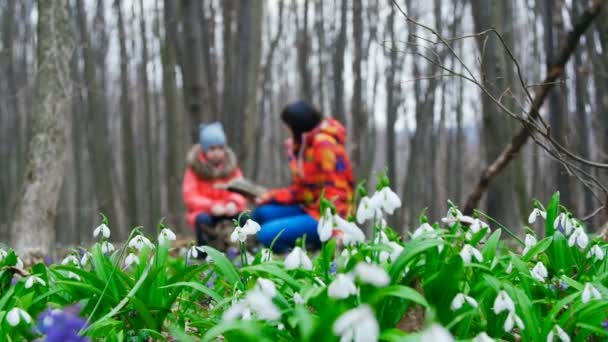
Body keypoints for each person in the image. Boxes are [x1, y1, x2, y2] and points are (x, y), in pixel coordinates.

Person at [253, 101, 355, 252]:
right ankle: (304, 242)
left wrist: (336, 231)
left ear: (297, 126)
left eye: (288, 126)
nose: (287, 131)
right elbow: (301, 190)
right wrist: (270, 196)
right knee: (260, 214)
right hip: (310, 207)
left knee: (266, 234)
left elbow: (338, 191)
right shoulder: (305, 146)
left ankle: (305, 252)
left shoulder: (324, 145)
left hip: (327, 216)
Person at [182, 122, 248, 249]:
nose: (217, 152)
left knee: (244, 218)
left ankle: (244, 247)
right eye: (212, 149)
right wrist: (211, 206)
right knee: (202, 220)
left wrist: (233, 202)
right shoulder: (194, 170)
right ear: (204, 150)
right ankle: (203, 251)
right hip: (206, 211)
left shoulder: (232, 168)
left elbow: (241, 189)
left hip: (230, 208)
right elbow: (190, 196)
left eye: (220, 148)